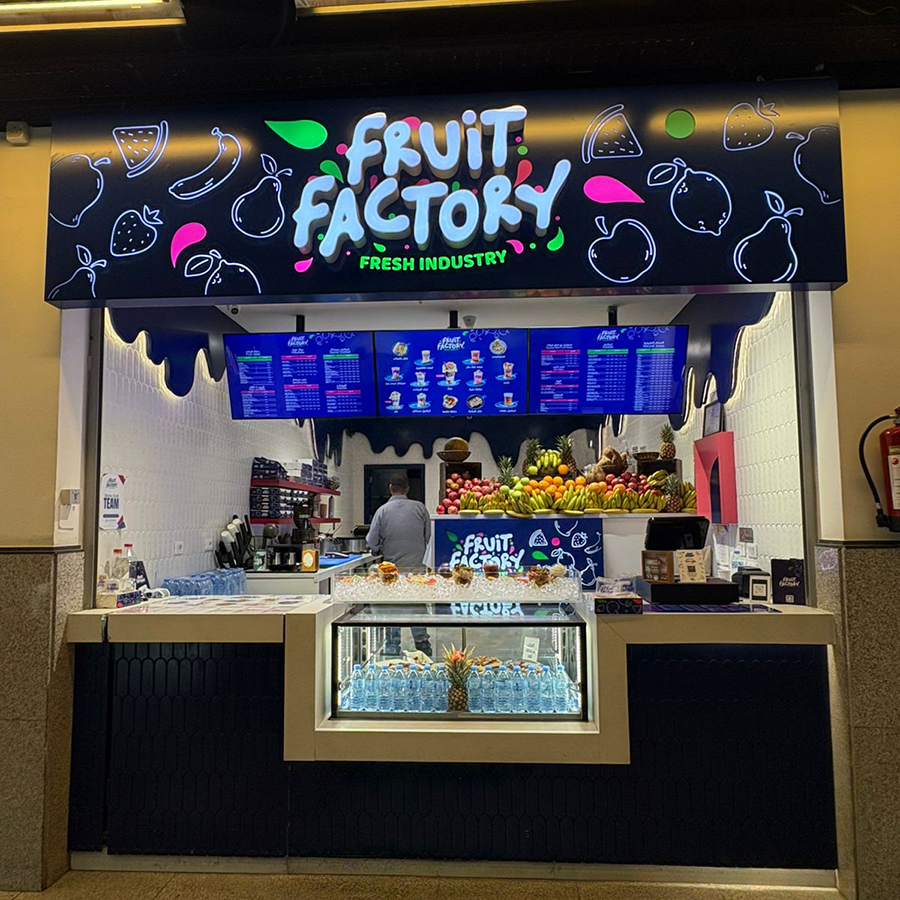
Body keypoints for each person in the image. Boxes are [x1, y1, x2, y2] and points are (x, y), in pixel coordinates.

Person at [366, 472, 432, 657]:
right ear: (407, 489)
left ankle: (393, 648)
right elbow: (428, 537)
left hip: (391, 574)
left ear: (390, 489)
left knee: (392, 611)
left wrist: (378, 550)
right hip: (416, 572)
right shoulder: (420, 508)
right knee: (417, 610)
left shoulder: (382, 511)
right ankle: (423, 649)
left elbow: (371, 542)